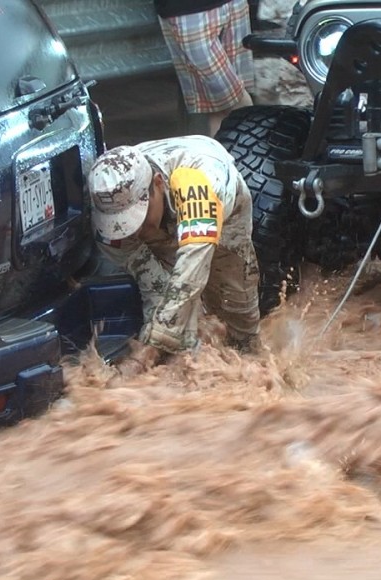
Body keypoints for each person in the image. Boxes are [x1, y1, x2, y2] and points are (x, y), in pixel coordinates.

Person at [88, 136, 261, 374]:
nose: (135, 231)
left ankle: (254, 366)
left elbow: (193, 268)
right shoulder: (106, 218)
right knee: (173, 323)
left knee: (235, 307)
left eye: (138, 218)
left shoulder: (201, 180)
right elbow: (156, 289)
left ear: (158, 184)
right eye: (123, 225)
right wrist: (161, 352)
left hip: (222, 210)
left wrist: (146, 352)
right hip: (169, 219)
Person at [154, 0, 255, 136]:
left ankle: (228, 155)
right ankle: (258, 150)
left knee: (218, 108)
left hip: (234, 4)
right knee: (237, 103)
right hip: (186, 11)